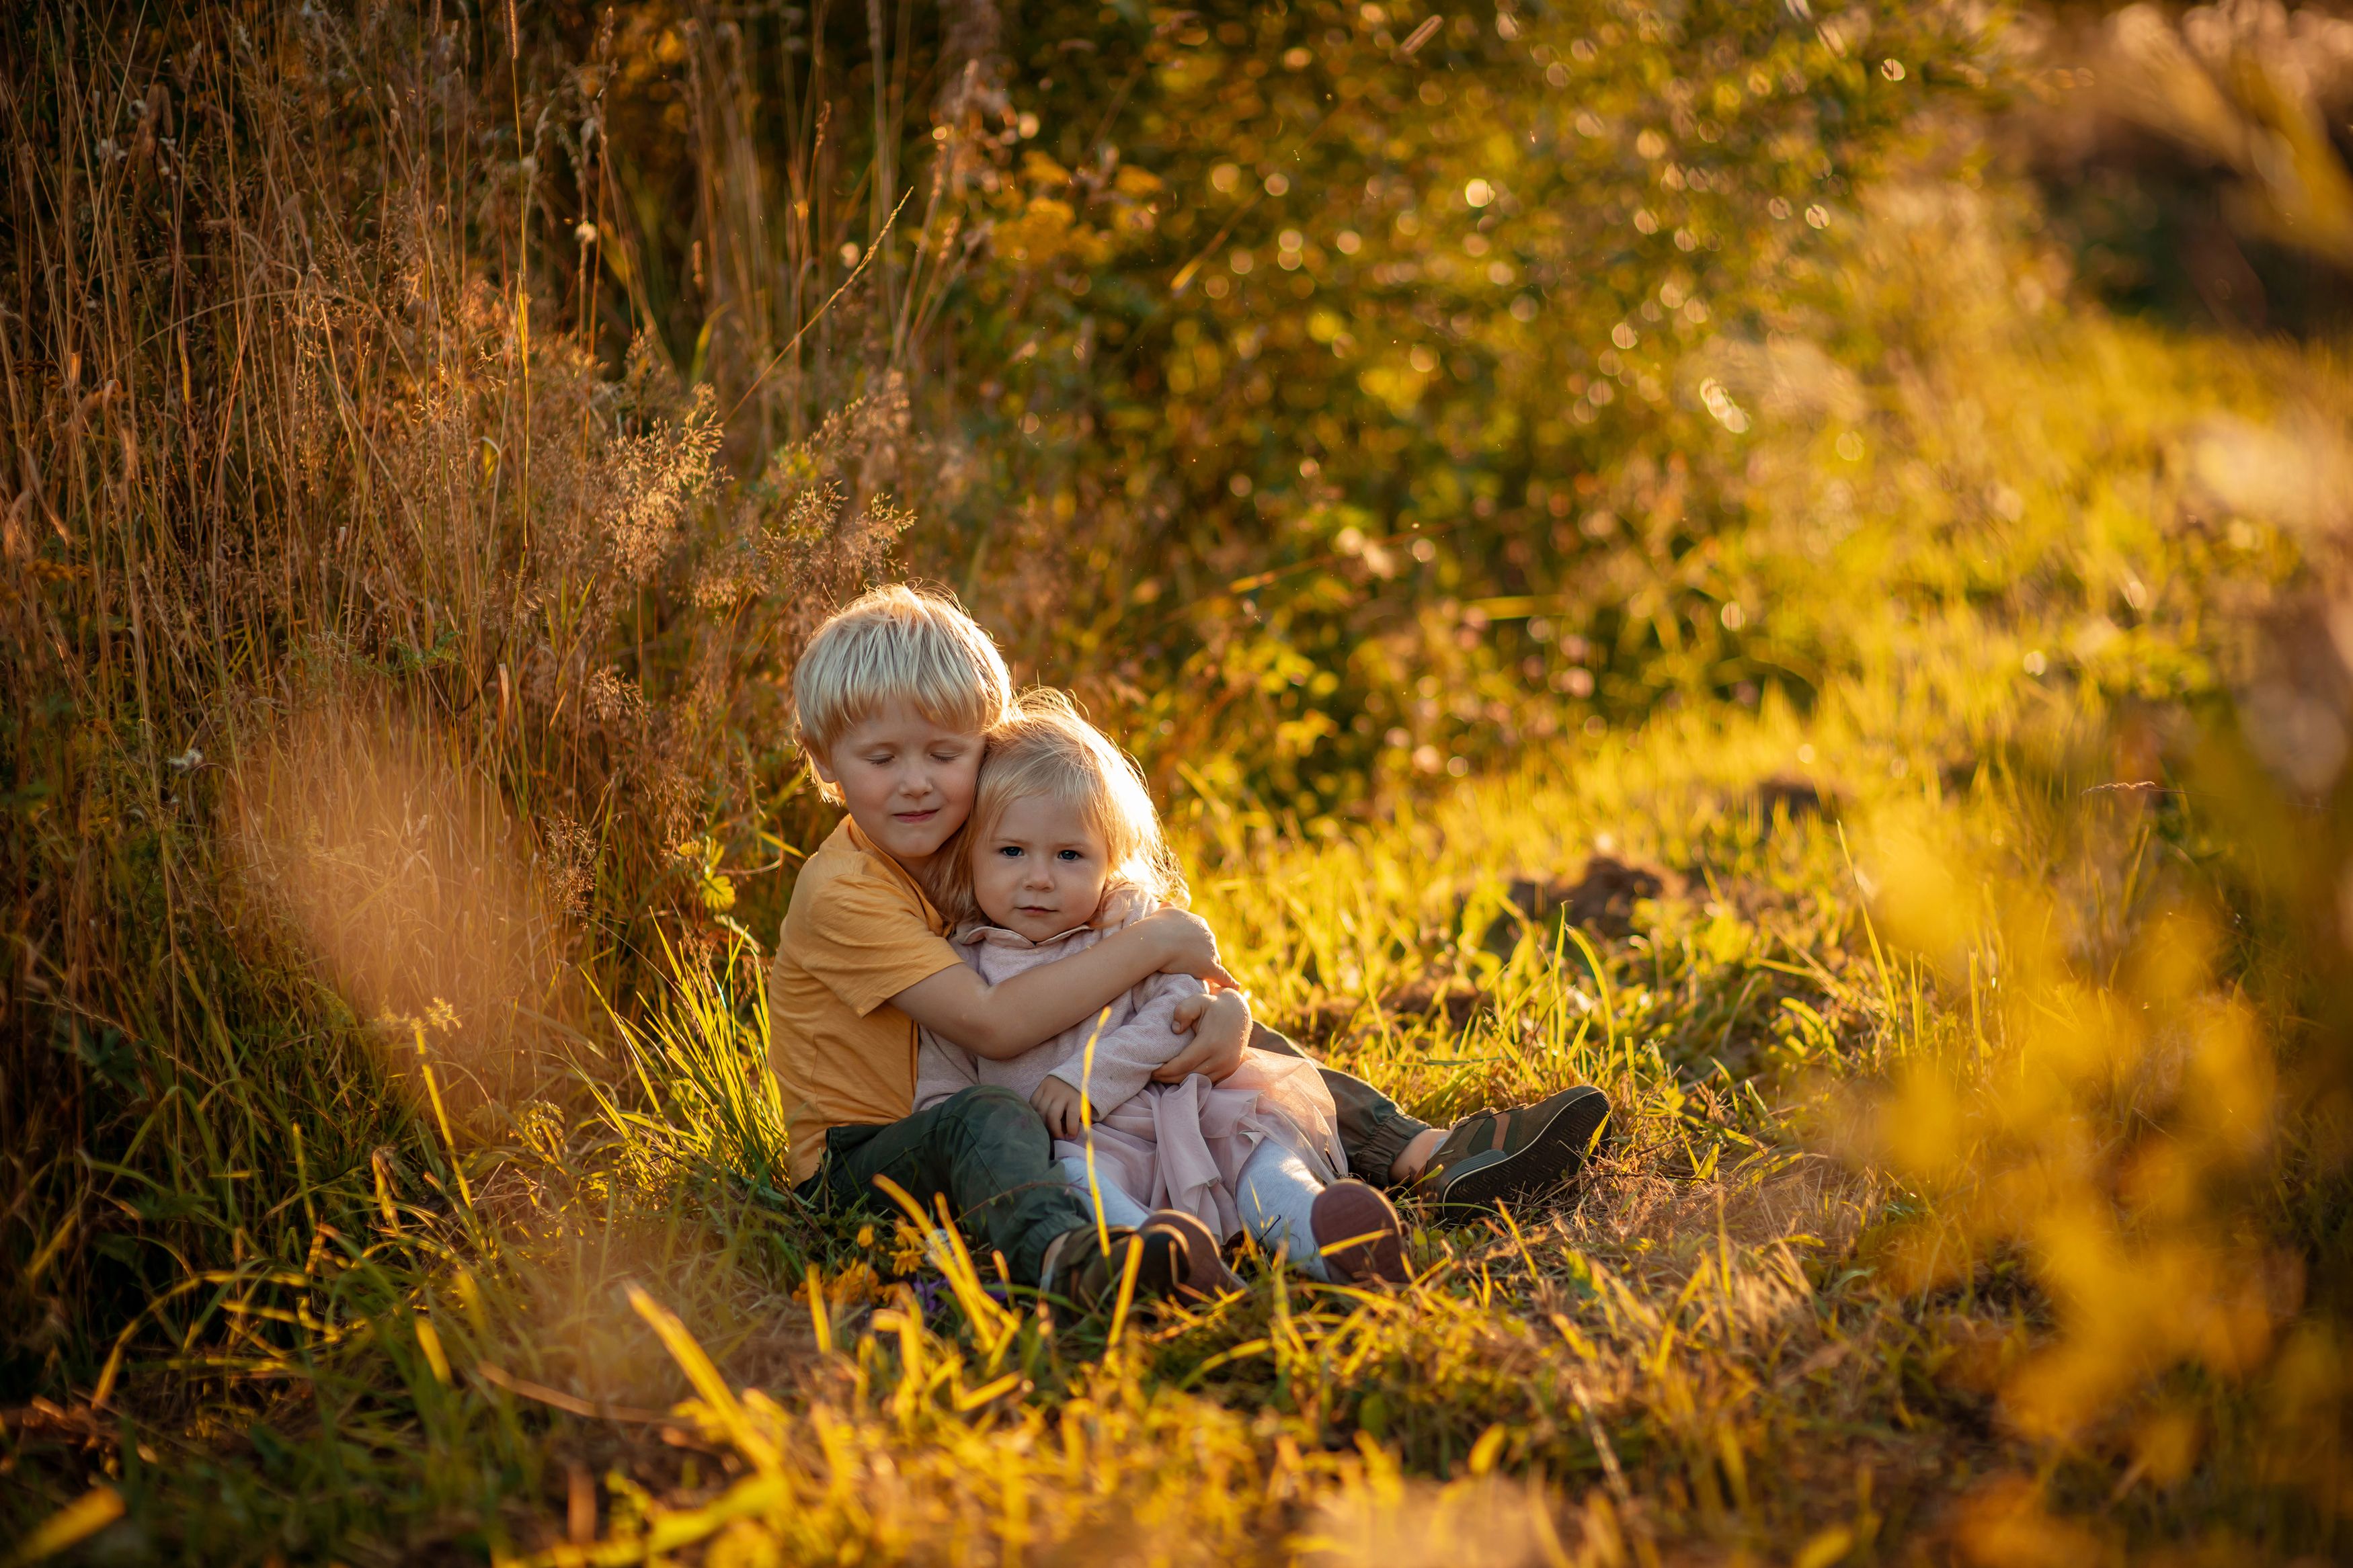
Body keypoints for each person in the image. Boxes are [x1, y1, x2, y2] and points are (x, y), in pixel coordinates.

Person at [770, 584, 1612, 1311]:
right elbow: (993, 1023)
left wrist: (1212, 1014)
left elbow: (1090, 943)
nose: (916, 780)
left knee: (1216, 1044)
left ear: (985, 754)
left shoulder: (969, 840)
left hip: (1007, 1093)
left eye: (944, 754)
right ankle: (1079, 1262)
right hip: (869, 1156)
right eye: (881, 757)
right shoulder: (844, 888)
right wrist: (1160, 940)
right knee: (987, 1119)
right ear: (824, 761)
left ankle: (1432, 1155)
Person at [914, 692, 1412, 1290]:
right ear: (971, 855)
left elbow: (1174, 1013)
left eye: (1070, 854)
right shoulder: (961, 966)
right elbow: (943, 1097)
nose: (1040, 877)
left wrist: (1087, 1077)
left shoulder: (1127, 924)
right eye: (1012, 851)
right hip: (1077, 1148)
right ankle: (1160, 1260)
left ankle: (1321, 1235)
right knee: (1076, 1179)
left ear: (1111, 860)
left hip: (1182, 1113)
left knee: (1257, 1148)